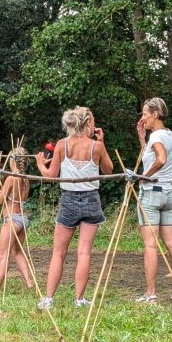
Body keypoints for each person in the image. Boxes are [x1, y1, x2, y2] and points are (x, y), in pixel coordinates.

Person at [35, 106, 113, 309]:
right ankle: (79, 299)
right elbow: (108, 170)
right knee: (84, 252)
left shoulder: (62, 145)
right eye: (92, 120)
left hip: (68, 200)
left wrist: (40, 164)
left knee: (58, 253)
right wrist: (102, 143)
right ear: (87, 123)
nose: (94, 124)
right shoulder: (97, 146)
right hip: (91, 199)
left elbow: (51, 176)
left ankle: (49, 299)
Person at [136, 97, 172, 303]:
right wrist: (142, 139)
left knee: (151, 245)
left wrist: (144, 177)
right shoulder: (169, 135)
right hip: (168, 193)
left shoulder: (157, 136)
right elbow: (151, 157)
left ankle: (151, 294)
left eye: (145, 114)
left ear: (155, 114)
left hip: (151, 193)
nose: (143, 118)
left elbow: (160, 159)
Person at [0, 148, 33, 292]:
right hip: (22, 219)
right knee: (17, 251)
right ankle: (29, 283)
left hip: (11, 219)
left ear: (13, 161)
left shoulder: (11, 178)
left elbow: (1, 200)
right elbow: (22, 198)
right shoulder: (25, 179)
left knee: (4, 255)